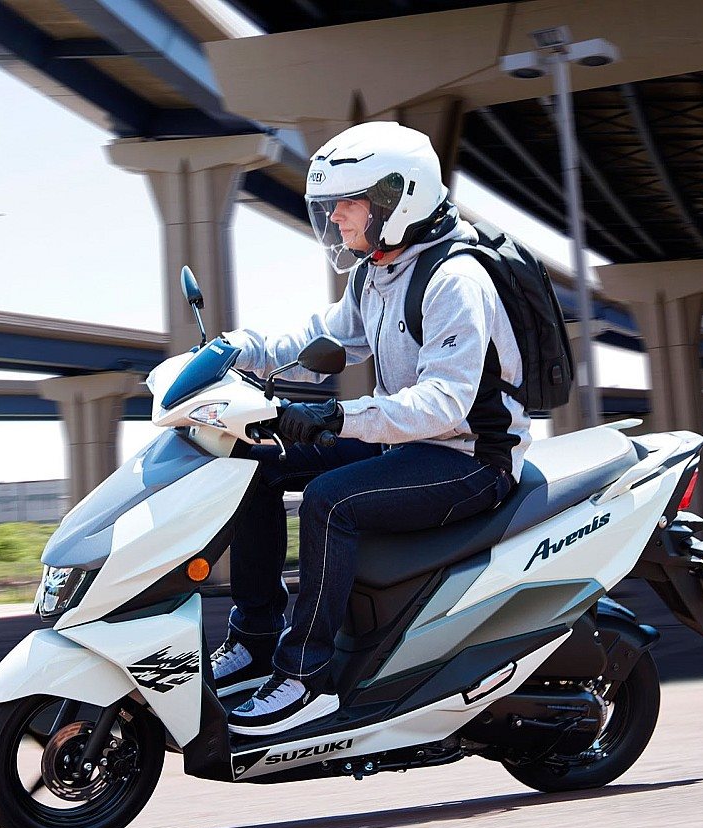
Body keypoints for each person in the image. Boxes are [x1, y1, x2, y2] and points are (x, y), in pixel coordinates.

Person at [214, 121, 532, 737]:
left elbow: (445, 404)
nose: (334, 218)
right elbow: (323, 339)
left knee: (329, 502)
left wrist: (339, 416)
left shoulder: (455, 280)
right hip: (405, 443)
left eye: (347, 203)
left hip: (471, 458)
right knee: (252, 459)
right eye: (331, 205)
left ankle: (307, 678)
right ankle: (255, 637)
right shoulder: (376, 272)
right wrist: (238, 349)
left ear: (396, 199)